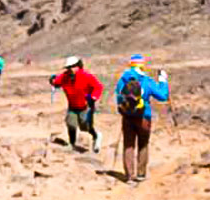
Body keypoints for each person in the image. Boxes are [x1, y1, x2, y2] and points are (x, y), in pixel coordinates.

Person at [113, 54, 169, 184]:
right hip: (144, 116)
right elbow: (162, 96)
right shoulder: (147, 81)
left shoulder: (122, 81)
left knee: (128, 145)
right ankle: (141, 174)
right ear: (142, 65)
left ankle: (129, 176)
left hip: (127, 116)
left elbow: (119, 99)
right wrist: (163, 80)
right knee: (143, 144)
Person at [50, 56, 104, 152]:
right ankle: (72, 144)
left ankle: (96, 136)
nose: (70, 69)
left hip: (85, 106)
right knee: (71, 123)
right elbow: (56, 81)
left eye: (72, 67)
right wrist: (52, 81)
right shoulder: (64, 77)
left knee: (85, 126)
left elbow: (98, 87)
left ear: (78, 66)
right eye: (68, 67)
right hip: (72, 106)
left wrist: (93, 98)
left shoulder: (86, 76)